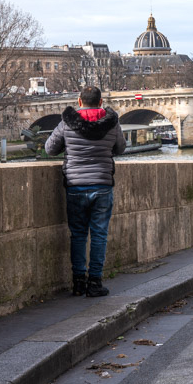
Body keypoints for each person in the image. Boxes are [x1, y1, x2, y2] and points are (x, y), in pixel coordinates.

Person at [45, 86, 126, 297]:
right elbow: (121, 148)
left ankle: (78, 282)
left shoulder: (66, 123)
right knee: (99, 235)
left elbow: (50, 149)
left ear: (79, 102)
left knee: (78, 235)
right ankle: (95, 283)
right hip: (102, 185)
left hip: (76, 186)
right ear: (101, 102)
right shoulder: (112, 123)